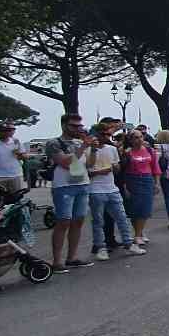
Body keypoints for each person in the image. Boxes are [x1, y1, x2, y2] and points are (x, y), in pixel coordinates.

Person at [43, 115, 93, 273]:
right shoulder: (54, 143)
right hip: (64, 185)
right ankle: (57, 260)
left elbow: (90, 163)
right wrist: (83, 147)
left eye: (80, 126)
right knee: (63, 221)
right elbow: (65, 162)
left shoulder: (81, 142)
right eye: (74, 126)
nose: (78, 129)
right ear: (64, 125)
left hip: (82, 183)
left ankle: (72, 257)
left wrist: (94, 149)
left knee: (78, 220)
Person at [85, 126, 139, 260]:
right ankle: (100, 247)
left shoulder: (112, 149)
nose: (106, 137)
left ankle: (128, 243)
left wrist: (115, 168)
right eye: (102, 134)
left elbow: (117, 168)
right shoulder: (86, 150)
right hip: (95, 189)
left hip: (111, 188)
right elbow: (85, 171)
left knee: (122, 217)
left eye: (108, 135)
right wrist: (99, 170)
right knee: (98, 221)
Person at [119, 130, 161, 246]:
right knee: (135, 208)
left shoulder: (149, 150)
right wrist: (125, 185)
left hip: (146, 179)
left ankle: (138, 234)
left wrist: (156, 183)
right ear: (131, 140)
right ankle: (138, 233)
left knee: (145, 208)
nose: (139, 140)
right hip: (132, 179)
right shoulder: (127, 152)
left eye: (141, 137)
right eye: (136, 137)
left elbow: (155, 167)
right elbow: (123, 170)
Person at [0, 124, 25, 194]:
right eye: (4, 131)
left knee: (16, 199)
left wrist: (19, 154)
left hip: (16, 175)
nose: (7, 133)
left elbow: (24, 156)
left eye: (9, 130)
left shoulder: (16, 142)